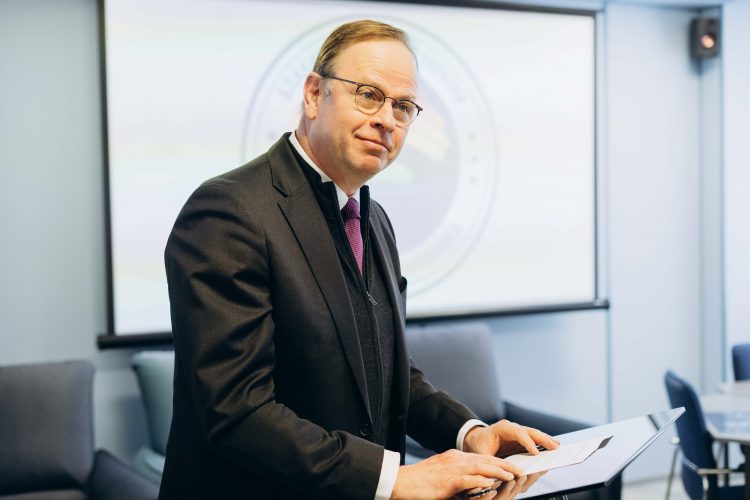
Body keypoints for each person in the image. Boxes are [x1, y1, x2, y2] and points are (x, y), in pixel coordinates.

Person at [160, 19, 558, 500]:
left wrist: (471, 433)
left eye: (403, 106)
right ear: (314, 94)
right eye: (368, 95)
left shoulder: (375, 221)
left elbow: (388, 371)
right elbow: (238, 411)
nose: (387, 119)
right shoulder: (229, 211)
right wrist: (396, 480)